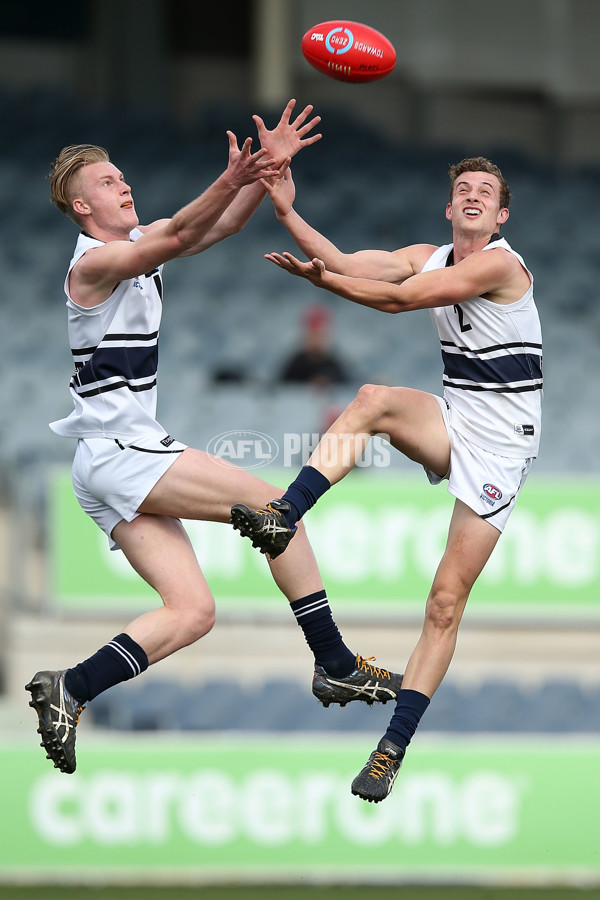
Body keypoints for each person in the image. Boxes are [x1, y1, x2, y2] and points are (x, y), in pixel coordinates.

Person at [26, 101, 403, 776]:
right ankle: (336, 663)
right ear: (82, 208)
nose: (124, 185)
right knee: (276, 508)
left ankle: (71, 687)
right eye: (108, 183)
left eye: (121, 176)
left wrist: (264, 173)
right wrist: (235, 177)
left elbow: (210, 230)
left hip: (107, 461)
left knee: (193, 611)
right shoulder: (94, 264)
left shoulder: (134, 246)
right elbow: (174, 241)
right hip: (123, 452)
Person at [231, 156, 542, 803]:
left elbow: (398, 301)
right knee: (372, 397)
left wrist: (330, 286)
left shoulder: (501, 265)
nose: (475, 196)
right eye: (464, 190)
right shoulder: (429, 254)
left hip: (502, 448)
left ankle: (391, 748)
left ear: (502, 214)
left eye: (487, 191)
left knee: (444, 602)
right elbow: (345, 259)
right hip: (456, 419)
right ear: (450, 210)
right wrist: (287, 211)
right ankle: (283, 515)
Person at [278, 303, 351, 388]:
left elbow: (348, 388)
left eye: (320, 335)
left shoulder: (336, 366)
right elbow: (282, 389)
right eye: (313, 335)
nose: (316, 341)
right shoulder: (295, 365)